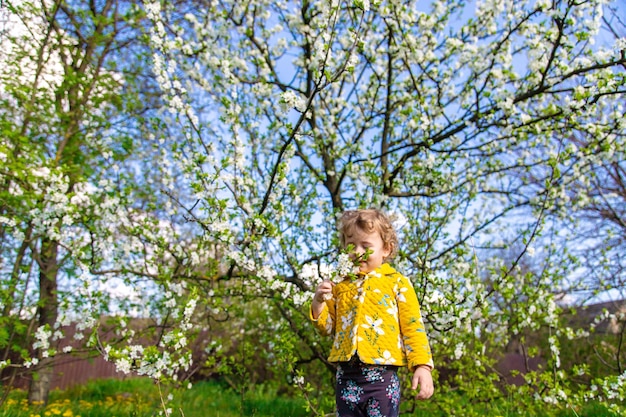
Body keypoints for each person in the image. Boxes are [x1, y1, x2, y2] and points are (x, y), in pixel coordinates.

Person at [310, 208, 434, 417]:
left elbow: (413, 327)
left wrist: (422, 366)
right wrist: (318, 302)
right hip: (347, 377)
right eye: (351, 246)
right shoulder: (340, 284)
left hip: (382, 378)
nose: (357, 252)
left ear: (386, 249)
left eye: (366, 246)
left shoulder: (397, 283)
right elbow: (327, 327)